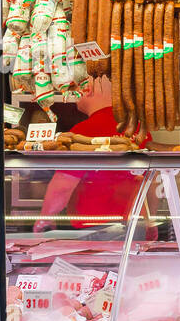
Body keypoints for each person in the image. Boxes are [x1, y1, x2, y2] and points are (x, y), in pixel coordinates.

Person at [33, 77, 150, 237]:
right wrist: (149, 221)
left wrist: (45, 220)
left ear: (87, 89)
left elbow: (62, 186)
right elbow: (148, 186)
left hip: (96, 228)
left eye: (78, 87)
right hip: (135, 226)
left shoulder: (83, 132)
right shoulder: (138, 130)